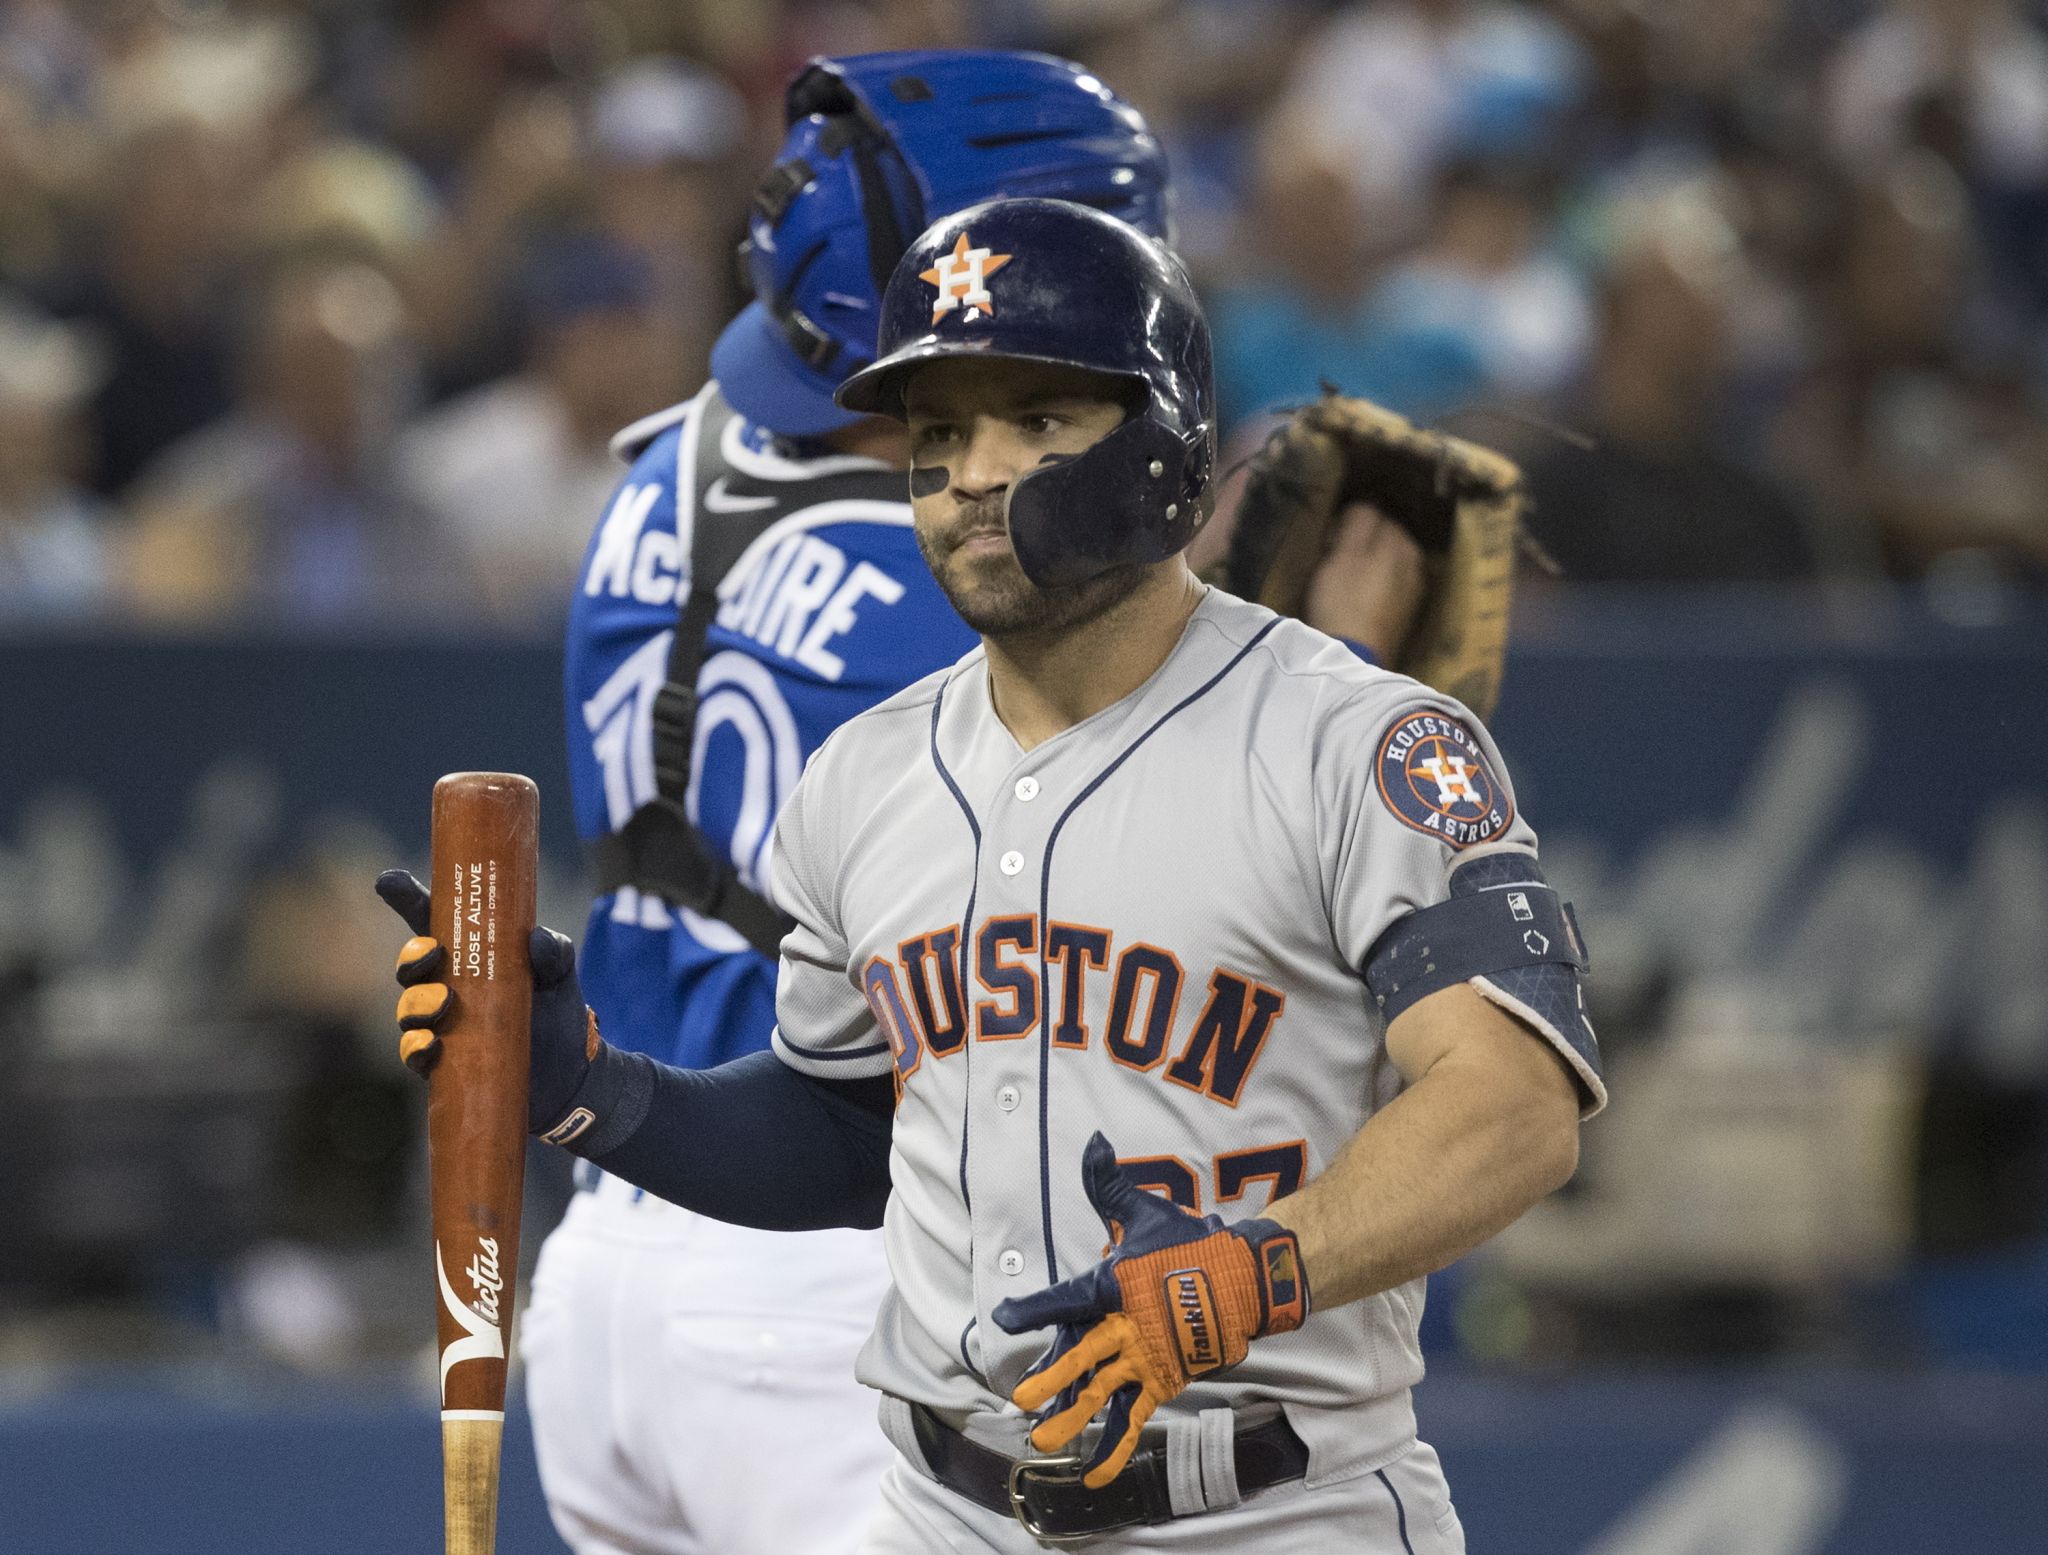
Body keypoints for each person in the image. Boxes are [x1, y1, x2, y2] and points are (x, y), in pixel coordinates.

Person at [384, 195, 1602, 1550]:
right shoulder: (865, 773)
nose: (971, 470)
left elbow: (1514, 1109)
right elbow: (845, 1134)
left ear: (1166, 442)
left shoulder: (1355, 739)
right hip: (934, 1510)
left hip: (1271, 1509)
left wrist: (1257, 1271)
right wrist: (592, 1094)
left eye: (1036, 419)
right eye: (941, 431)